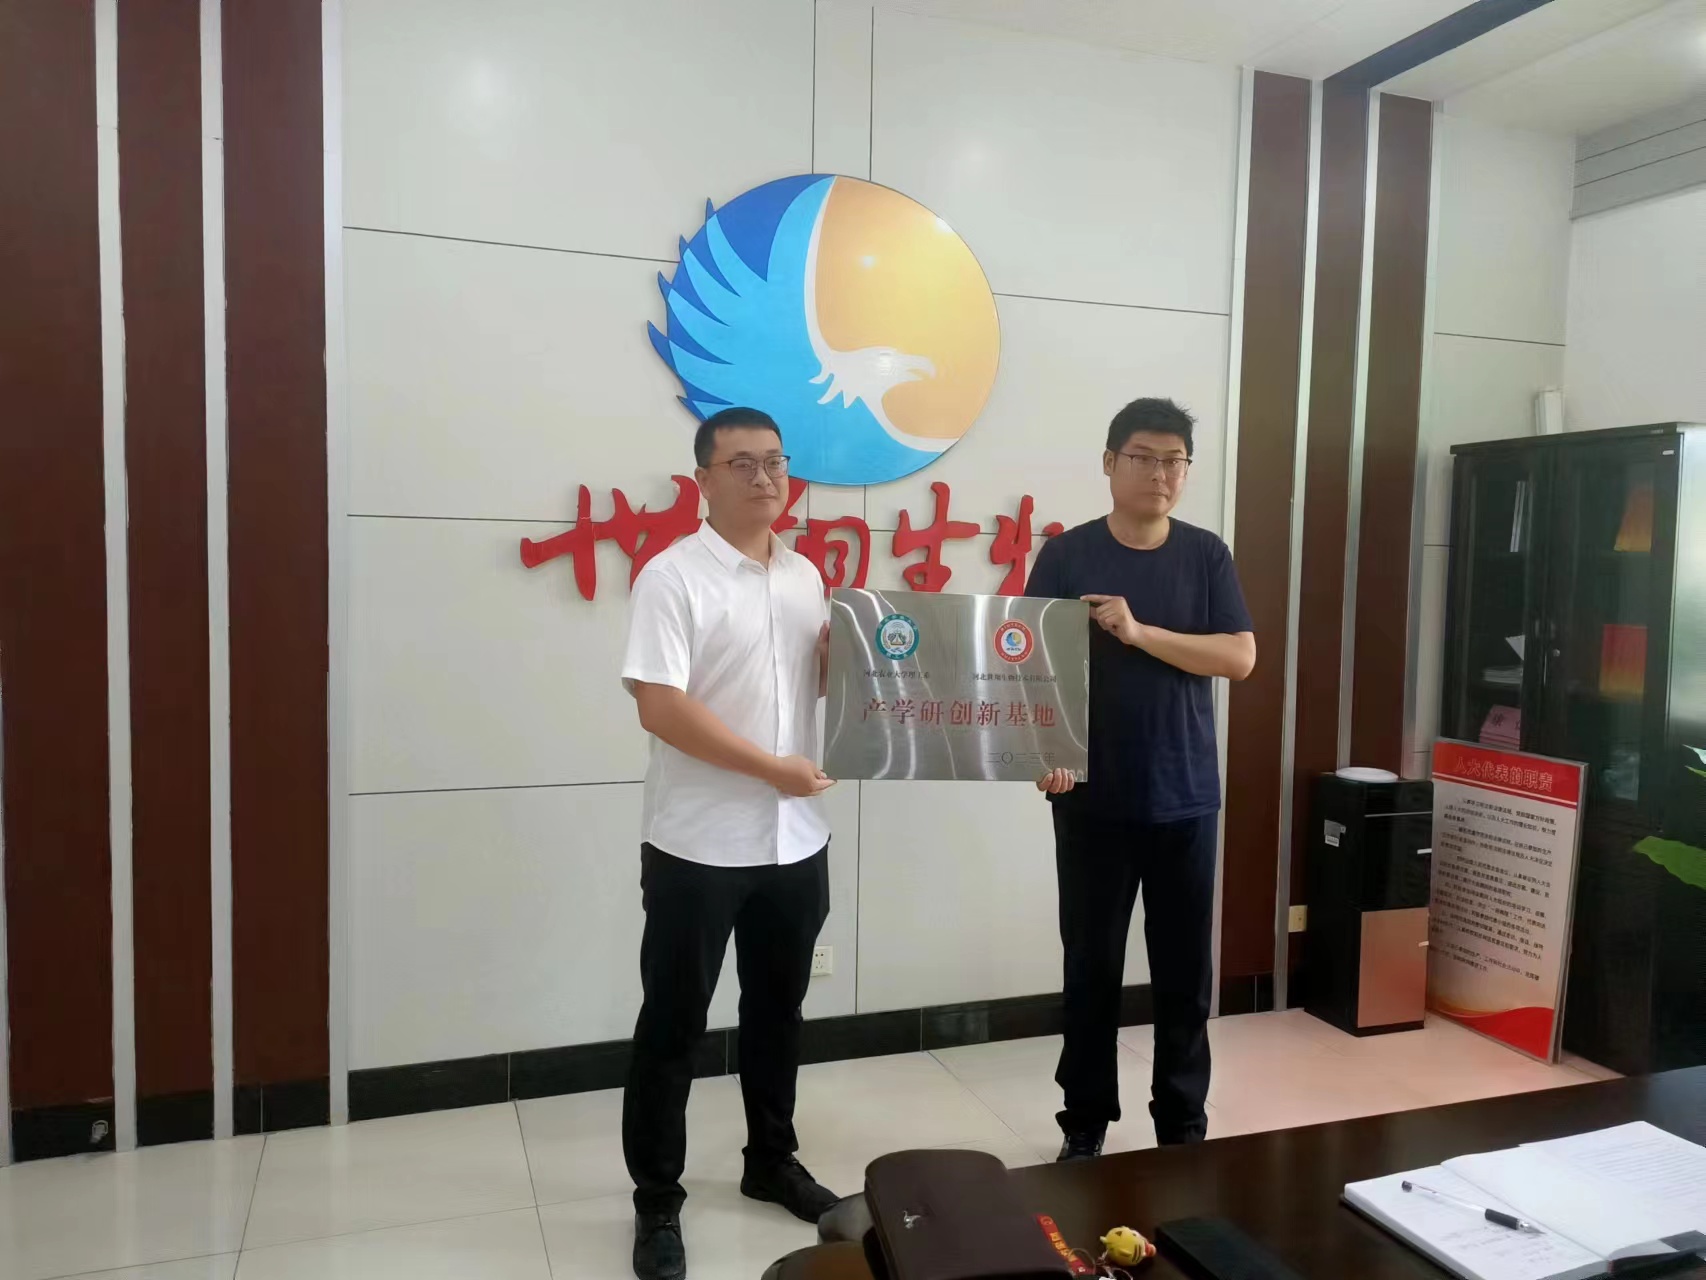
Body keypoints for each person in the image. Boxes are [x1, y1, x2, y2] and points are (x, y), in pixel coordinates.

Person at [620, 406, 841, 1280]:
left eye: (774, 462)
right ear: (702, 481)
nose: (762, 478)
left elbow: (806, 688)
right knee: (673, 1026)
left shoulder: (806, 576)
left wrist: (852, 667)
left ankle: (770, 1162)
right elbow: (660, 706)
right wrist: (771, 769)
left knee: (777, 1014)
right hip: (699, 846)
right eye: (741, 464)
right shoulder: (672, 577)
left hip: (796, 842)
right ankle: (656, 1203)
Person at [1025, 396, 1255, 1160]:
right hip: (1090, 797)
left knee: (1185, 978)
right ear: (1109, 462)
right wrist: (1040, 754)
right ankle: (1084, 1123)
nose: (1160, 474)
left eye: (1174, 461)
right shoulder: (1067, 556)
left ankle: (1182, 1127)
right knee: (1089, 971)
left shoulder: (1205, 555)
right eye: (1143, 458)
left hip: (1185, 797)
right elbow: (1025, 664)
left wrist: (1138, 631)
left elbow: (1239, 657)